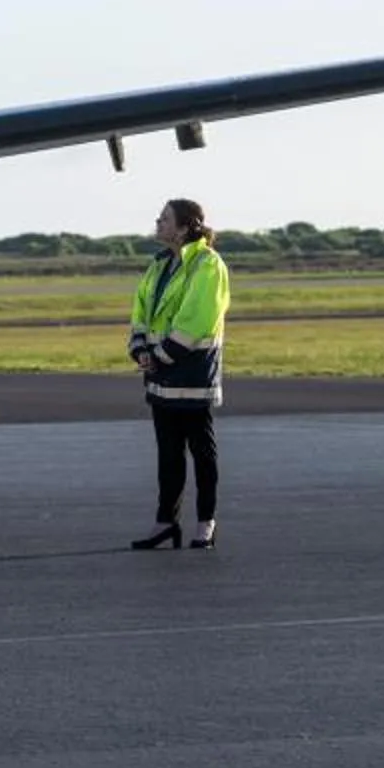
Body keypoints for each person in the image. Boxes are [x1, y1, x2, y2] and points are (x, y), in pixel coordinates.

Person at [128, 196, 230, 551]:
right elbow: (141, 308)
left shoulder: (207, 264)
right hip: (160, 375)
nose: (158, 223)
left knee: (202, 452)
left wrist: (159, 354)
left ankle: (206, 523)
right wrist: (139, 348)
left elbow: (197, 318)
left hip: (191, 374)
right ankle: (166, 523)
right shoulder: (158, 265)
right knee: (168, 455)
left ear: (184, 228)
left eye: (165, 219)